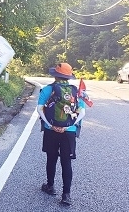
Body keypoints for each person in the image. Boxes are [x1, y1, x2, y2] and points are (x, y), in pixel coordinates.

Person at [37, 63, 86, 206]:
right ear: (69, 76)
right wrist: (69, 125)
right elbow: (82, 112)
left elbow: (40, 110)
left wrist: (51, 125)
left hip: (50, 129)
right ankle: (66, 195)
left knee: (51, 158)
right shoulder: (76, 92)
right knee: (66, 162)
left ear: (55, 75)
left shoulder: (47, 89)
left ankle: (50, 186)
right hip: (68, 131)